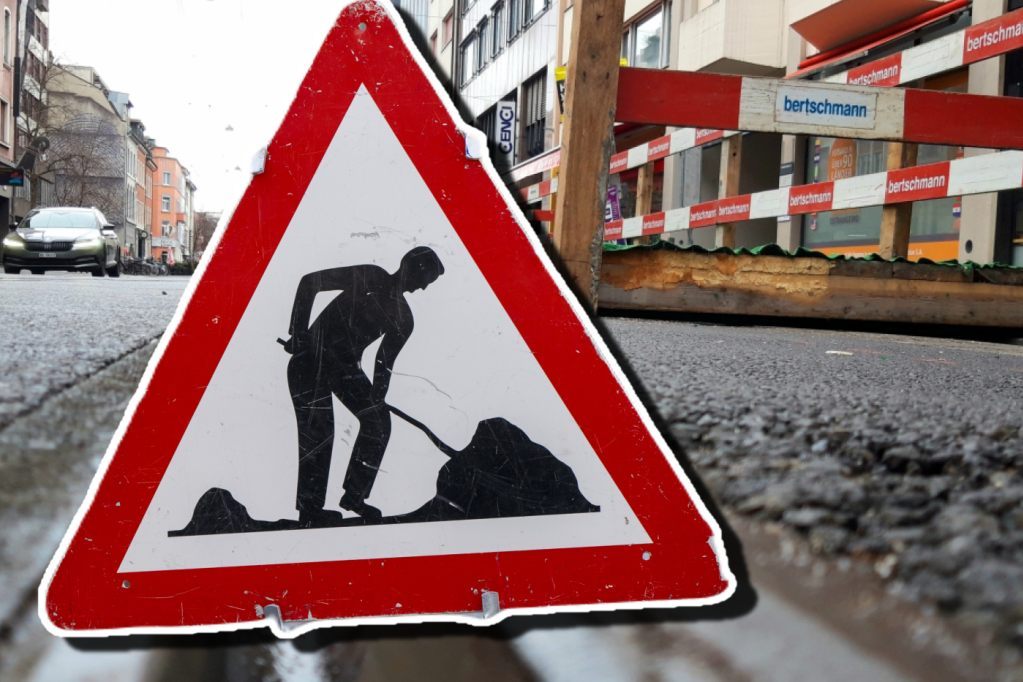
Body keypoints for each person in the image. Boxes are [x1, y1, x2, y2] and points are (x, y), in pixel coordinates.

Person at [281, 246, 445, 524]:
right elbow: (311, 282)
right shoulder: (371, 276)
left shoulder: (404, 319)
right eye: (424, 280)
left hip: (345, 371)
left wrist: (378, 396)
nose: (422, 289)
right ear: (411, 267)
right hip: (311, 359)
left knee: (378, 423)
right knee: (319, 431)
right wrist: (298, 333)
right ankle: (310, 509)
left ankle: (355, 496)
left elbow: (384, 363)